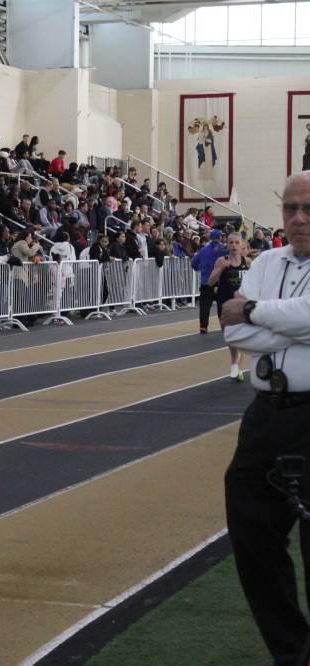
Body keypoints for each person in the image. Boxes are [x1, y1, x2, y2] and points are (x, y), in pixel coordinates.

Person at [220, 171, 310, 666]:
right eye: (290, 208)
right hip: (265, 416)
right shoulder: (267, 261)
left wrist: (253, 311)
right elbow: (234, 332)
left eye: (309, 209)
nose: (299, 219)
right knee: (252, 531)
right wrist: (288, 322)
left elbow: (249, 317)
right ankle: (292, 652)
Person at [208, 231, 251, 382]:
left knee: (240, 334)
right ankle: (235, 358)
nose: (234, 245)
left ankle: (235, 364)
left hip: (242, 304)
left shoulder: (248, 262)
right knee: (229, 335)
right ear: (226, 244)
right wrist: (220, 270)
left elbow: (255, 282)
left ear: (242, 245)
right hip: (225, 303)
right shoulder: (222, 261)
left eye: (237, 242)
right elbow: (210, 282)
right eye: (231, 242)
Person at [191, 229, 228, 334]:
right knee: (222, 305)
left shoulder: (203, 250)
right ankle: (224, 325)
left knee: (204, 306)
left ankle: (203, 326)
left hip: (206, 281)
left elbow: (194, 263)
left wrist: (199, 268)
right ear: (220, 238)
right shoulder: (224, 248)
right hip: (220, 281)